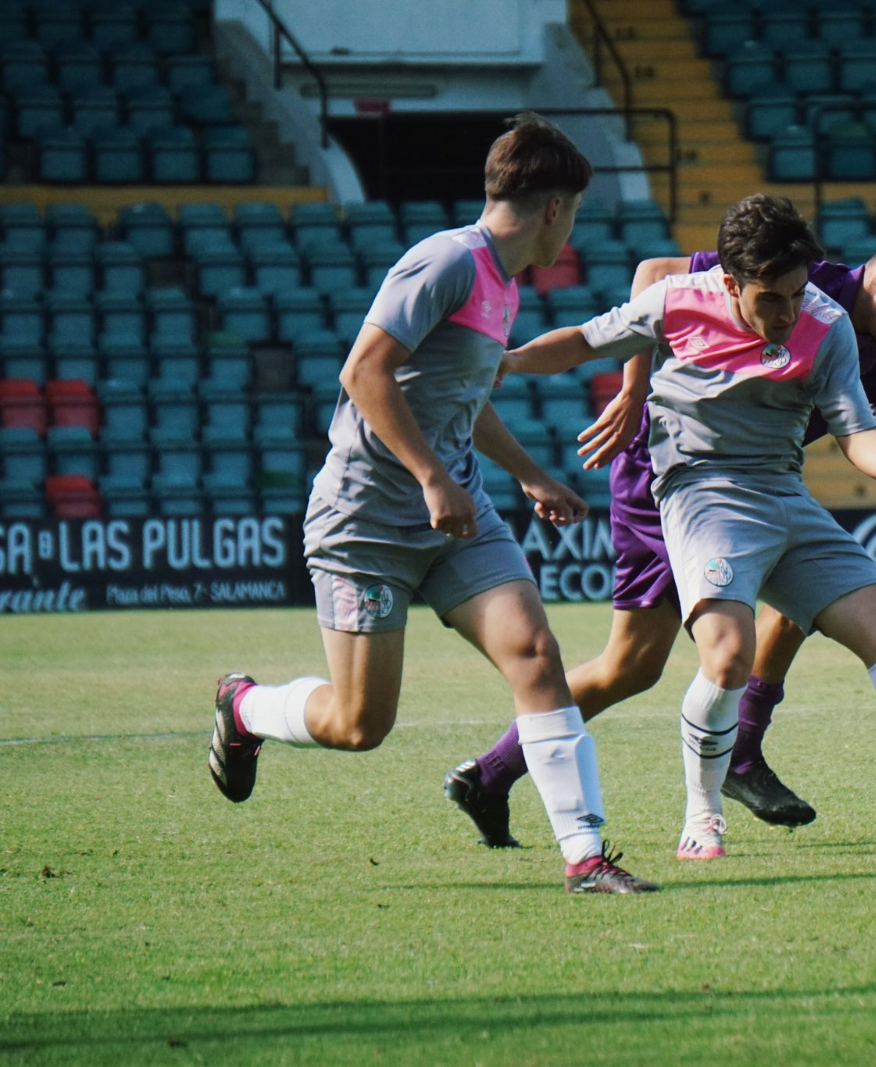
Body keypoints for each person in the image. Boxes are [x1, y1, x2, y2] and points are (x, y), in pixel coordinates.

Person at [445, 208, 876, 845]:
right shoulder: (786, 272)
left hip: (769, 487)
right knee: (635, 665)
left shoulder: (861, 345)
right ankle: (534, 773)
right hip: (665, 476)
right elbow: (651, 280)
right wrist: (634, 384)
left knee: (808, 608)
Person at [205, 113, 657, 895]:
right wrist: (430, 475)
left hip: (459, 518)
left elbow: (462, 395)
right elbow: (364, 374)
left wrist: (525, 473)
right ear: (554, 208)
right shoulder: (446, 261)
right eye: (574, 212)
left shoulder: (504, 285)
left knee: (537, 654)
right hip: (367, 522)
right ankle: (244, 708)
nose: (571, 229)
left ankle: (584, 855)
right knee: (358, 725)